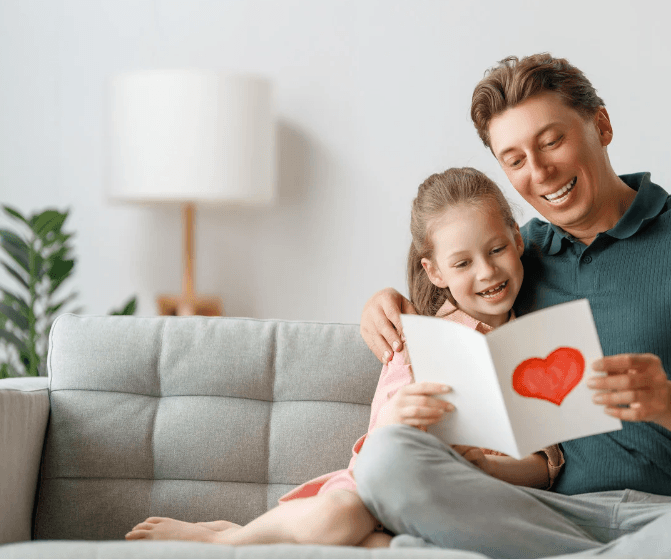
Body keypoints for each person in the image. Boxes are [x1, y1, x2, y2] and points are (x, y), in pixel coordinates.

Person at [354, 53, 671, 558]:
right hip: (548, 518)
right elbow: (454, 290)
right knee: (386, 462)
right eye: (515, 159)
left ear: (602, 125)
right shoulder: (514, 258)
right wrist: (388, 301)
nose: (541, 172)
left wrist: (668, 401)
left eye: (552, 141)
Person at [124, 167, 563, 547]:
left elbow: (546, 467)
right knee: (346, 518)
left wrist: (487, 466)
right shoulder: (415, 341)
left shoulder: (537, 343)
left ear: (516, 239)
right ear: (435, 271)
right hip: (378, 499)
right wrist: (399, 420)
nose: (487, 272)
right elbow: (373, 455)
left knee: (385, 546)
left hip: (471, 511)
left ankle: (253, 534)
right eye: (462, 262)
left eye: (496, 250)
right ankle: (227, 541)